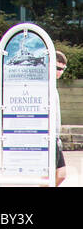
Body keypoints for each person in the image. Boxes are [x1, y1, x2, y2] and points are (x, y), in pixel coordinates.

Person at [53, 51, 67, 186]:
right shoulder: (47, 86)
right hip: (48, 137)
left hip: (54, 137)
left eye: (63, 69)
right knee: (58, 174)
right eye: (58, 68)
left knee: (60, 174)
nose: (60, 72)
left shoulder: (53, 86)